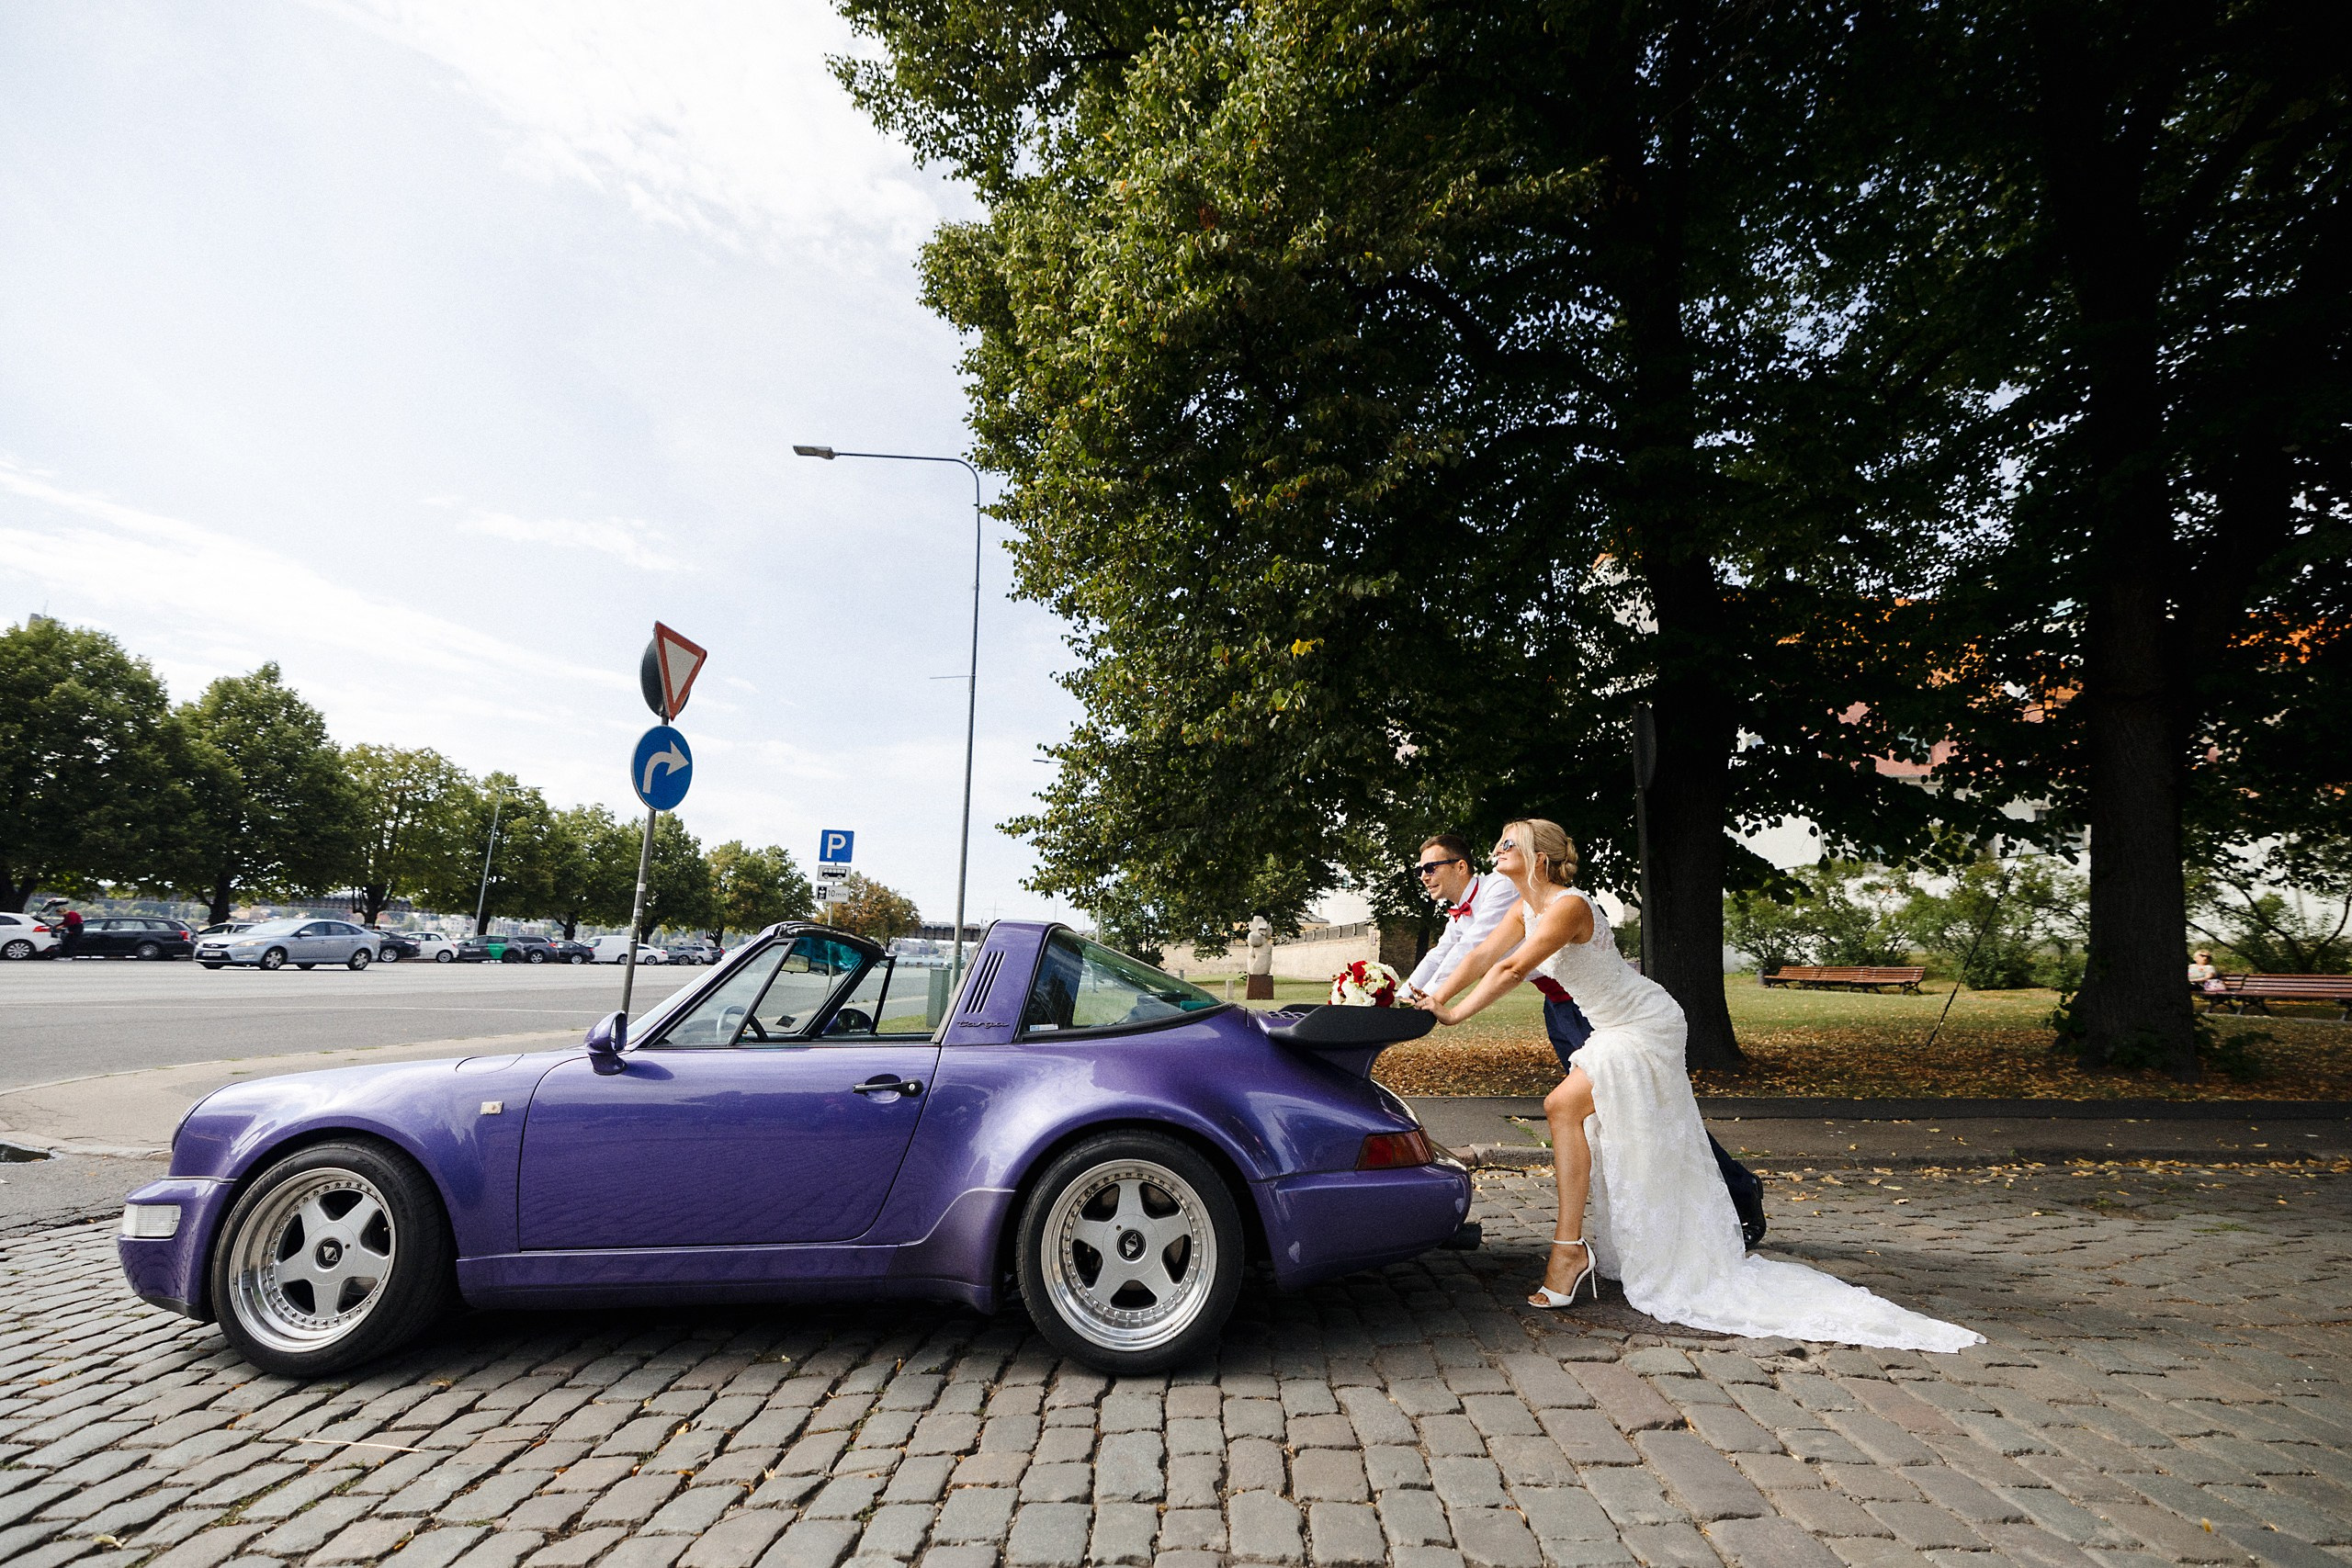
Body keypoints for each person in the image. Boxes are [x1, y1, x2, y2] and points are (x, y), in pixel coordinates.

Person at [1420, 818, 1980, 1351]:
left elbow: (1512, 970)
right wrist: (1435, 995)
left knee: (1562, 1106)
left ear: (1537, 859)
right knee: (1597, 1123)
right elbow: (1480, 954)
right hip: (1613, 1025)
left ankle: (1569, 1252)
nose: (1495, 852)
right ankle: (1589, 1248)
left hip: (1645, 1024)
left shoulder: (1567, 907)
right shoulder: (1525, 906)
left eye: (1506, 845)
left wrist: (1454, 1016)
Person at [1399, 833, 1523, 1004]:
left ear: (1461, 867)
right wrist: (1400, 996)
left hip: (1563, 984)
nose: (1423, 877)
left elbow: (1470, 949)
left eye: (1430, 868)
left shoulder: (1499, 887)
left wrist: (1427, 996)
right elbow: (1438, 956)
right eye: (1419, 871)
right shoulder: (1459, 910)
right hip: (1550, 992)